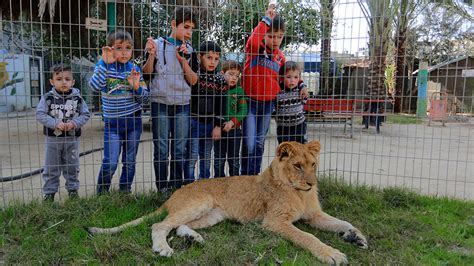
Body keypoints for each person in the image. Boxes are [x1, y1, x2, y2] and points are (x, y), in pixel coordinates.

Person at [142, 7, 198, 190]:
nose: (189, 32)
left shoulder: (190, 50)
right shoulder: (156, 44)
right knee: (162, 149)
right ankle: (162, 189)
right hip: (161, 104)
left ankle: (175, 189)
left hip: (183, 105)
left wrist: (184, 61)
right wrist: (151, 55)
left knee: (179, 150)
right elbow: (147, 74)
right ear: (174, 24)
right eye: (186, 27)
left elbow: (194, 80)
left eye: (192, 29)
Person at [89, 30, 149, 194]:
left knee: (130, 161)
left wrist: (136, 87)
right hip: (113, 124)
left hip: (133, 123)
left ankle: (125, 191)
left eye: (128, 48)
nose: (124, 52)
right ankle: (102, 192)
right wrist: (104, 63)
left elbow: (145, 99)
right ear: (110, 49)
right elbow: (94, 86)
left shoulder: (135, 69)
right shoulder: (103, 66)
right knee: (111, 161)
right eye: (119, 47)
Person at [240, 3, 287, 175]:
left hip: (267, 105)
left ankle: (254, 176)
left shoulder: (280, 58)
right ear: (265, 34)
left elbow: (285, 79)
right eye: (271, 36)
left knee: (260, 142)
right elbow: (253, 40)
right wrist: (266, 19)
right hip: (250, 103)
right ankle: (245, 175)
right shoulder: (255, 50)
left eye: (279, 37)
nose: (275, 40)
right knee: (250, 142)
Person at [36, 63, 90, 201]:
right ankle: (49, 193)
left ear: (73, 82)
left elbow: (86, 115)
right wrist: (55, 123)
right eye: (59, 79)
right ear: (52, 82)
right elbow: (40, 114)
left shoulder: (78, 99)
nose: (63, 82)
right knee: (51, 168)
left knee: (72, 167)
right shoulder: (47, 98)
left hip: (72, 140)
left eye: (67, 79)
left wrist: (74, 123)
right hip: (53, 140)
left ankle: (73, 191)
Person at [185, 41, 227, 180]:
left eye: (216, 59)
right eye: (208, 57)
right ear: (200, 57)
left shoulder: (220, 79)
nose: (212, 62)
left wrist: (217, 126)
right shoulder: (195, 76)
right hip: (194, 122)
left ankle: (203, 186)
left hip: (210, 124)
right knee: (192, 156)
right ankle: (189, 186)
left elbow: (222, 104)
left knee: (206, 158)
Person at [214, 60, 248, 177]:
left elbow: (243, 110)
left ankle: (235, 184)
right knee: (219, 160)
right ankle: (219, 183)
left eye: (237, 76)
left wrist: (232, 122)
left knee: (234, 160)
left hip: (234, 131)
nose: (234, 78)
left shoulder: (239, 91)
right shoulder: (216, 90)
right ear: (222, 73)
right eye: (231, 74)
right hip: (219, 131)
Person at [275, 61, 308, 144]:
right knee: (284, 150)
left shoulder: (300, 91)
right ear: (282, 77)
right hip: (283, 128)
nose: (292, 80)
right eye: (289, 77)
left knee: (300, 149)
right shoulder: (278, 91)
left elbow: (304, 101)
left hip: (299, 125)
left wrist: (303, 87)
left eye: (296, 77)